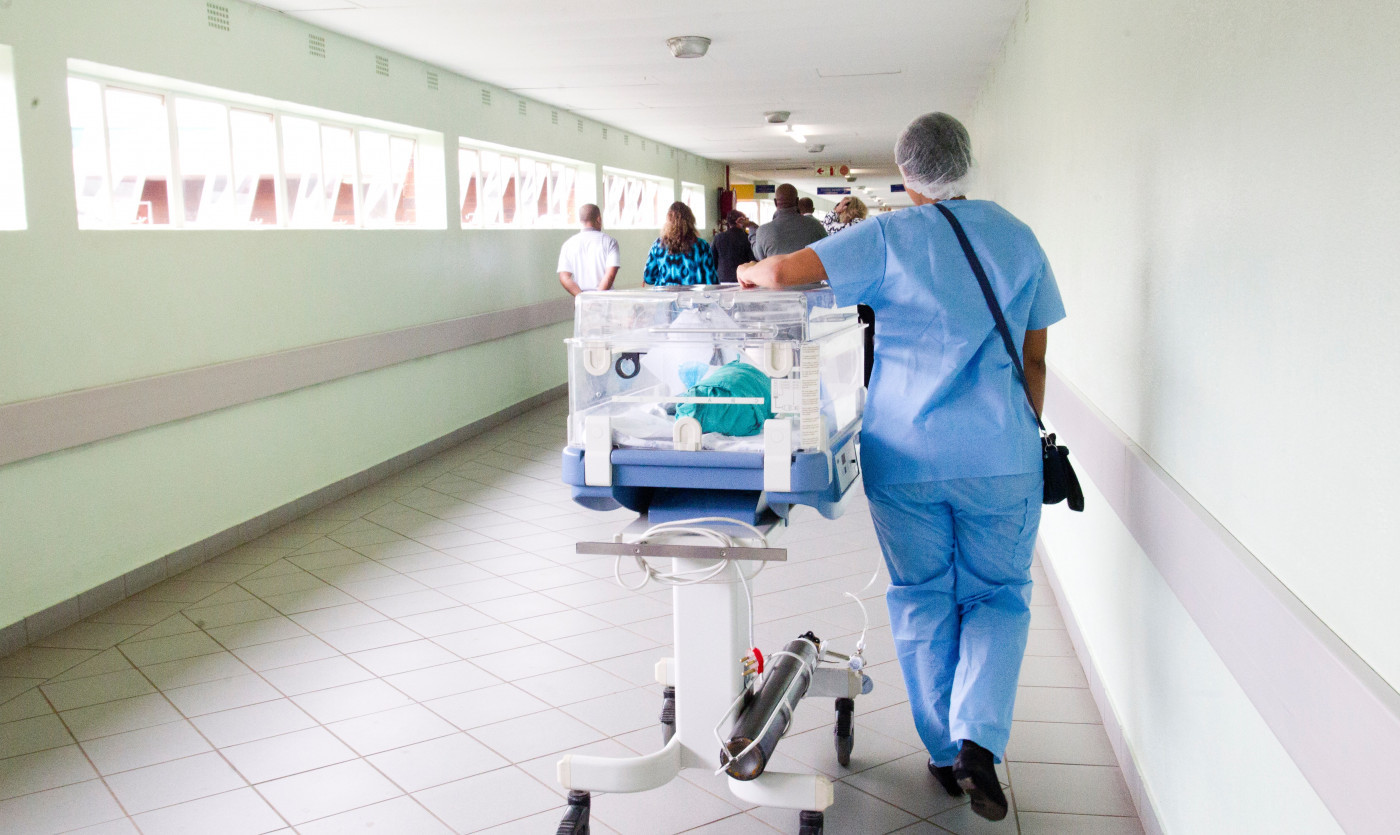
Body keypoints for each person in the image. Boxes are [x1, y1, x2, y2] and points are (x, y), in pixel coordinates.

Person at [737, 112, 1065, 823]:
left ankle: (946, 754)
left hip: (907, 453)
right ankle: (980, 738)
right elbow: (1035, 359)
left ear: (907, 172)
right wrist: (1013, 428)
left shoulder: (889, 236)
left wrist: (747, 265)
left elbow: (785, 273)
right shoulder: (1018, 236)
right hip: (1002, 456)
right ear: (966, 162)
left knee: (922, 596)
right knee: (997, 594)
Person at [643, 201, 717, 286]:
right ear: (691, 221)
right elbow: (712, 280)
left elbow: (648, 277)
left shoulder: (658, 245)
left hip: (664, 297)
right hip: (693, 297)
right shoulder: (701, 246)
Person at [557, 204, 620, 296]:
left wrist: (582, 297)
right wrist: (595, 299)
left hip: (582, 304)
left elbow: (564, 277)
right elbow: (609, 275)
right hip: (604, 301)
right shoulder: (610, 242)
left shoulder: (568, 244)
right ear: (598, 219)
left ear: (580, 220)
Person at [750, 183, 826, 259]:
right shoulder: (815, 226)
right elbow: (825, 250)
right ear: (797, 201)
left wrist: (752, 231)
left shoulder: (763, 231)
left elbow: (759, 257)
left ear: (775, 202)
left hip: (777, 271)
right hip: (808, 270)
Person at [712, 210, 757, 283]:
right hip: (742, 279)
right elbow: (752, 261)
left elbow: (713, 261)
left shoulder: (718, 237)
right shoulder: (747, 238)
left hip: (722, 278)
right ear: (740, 221)